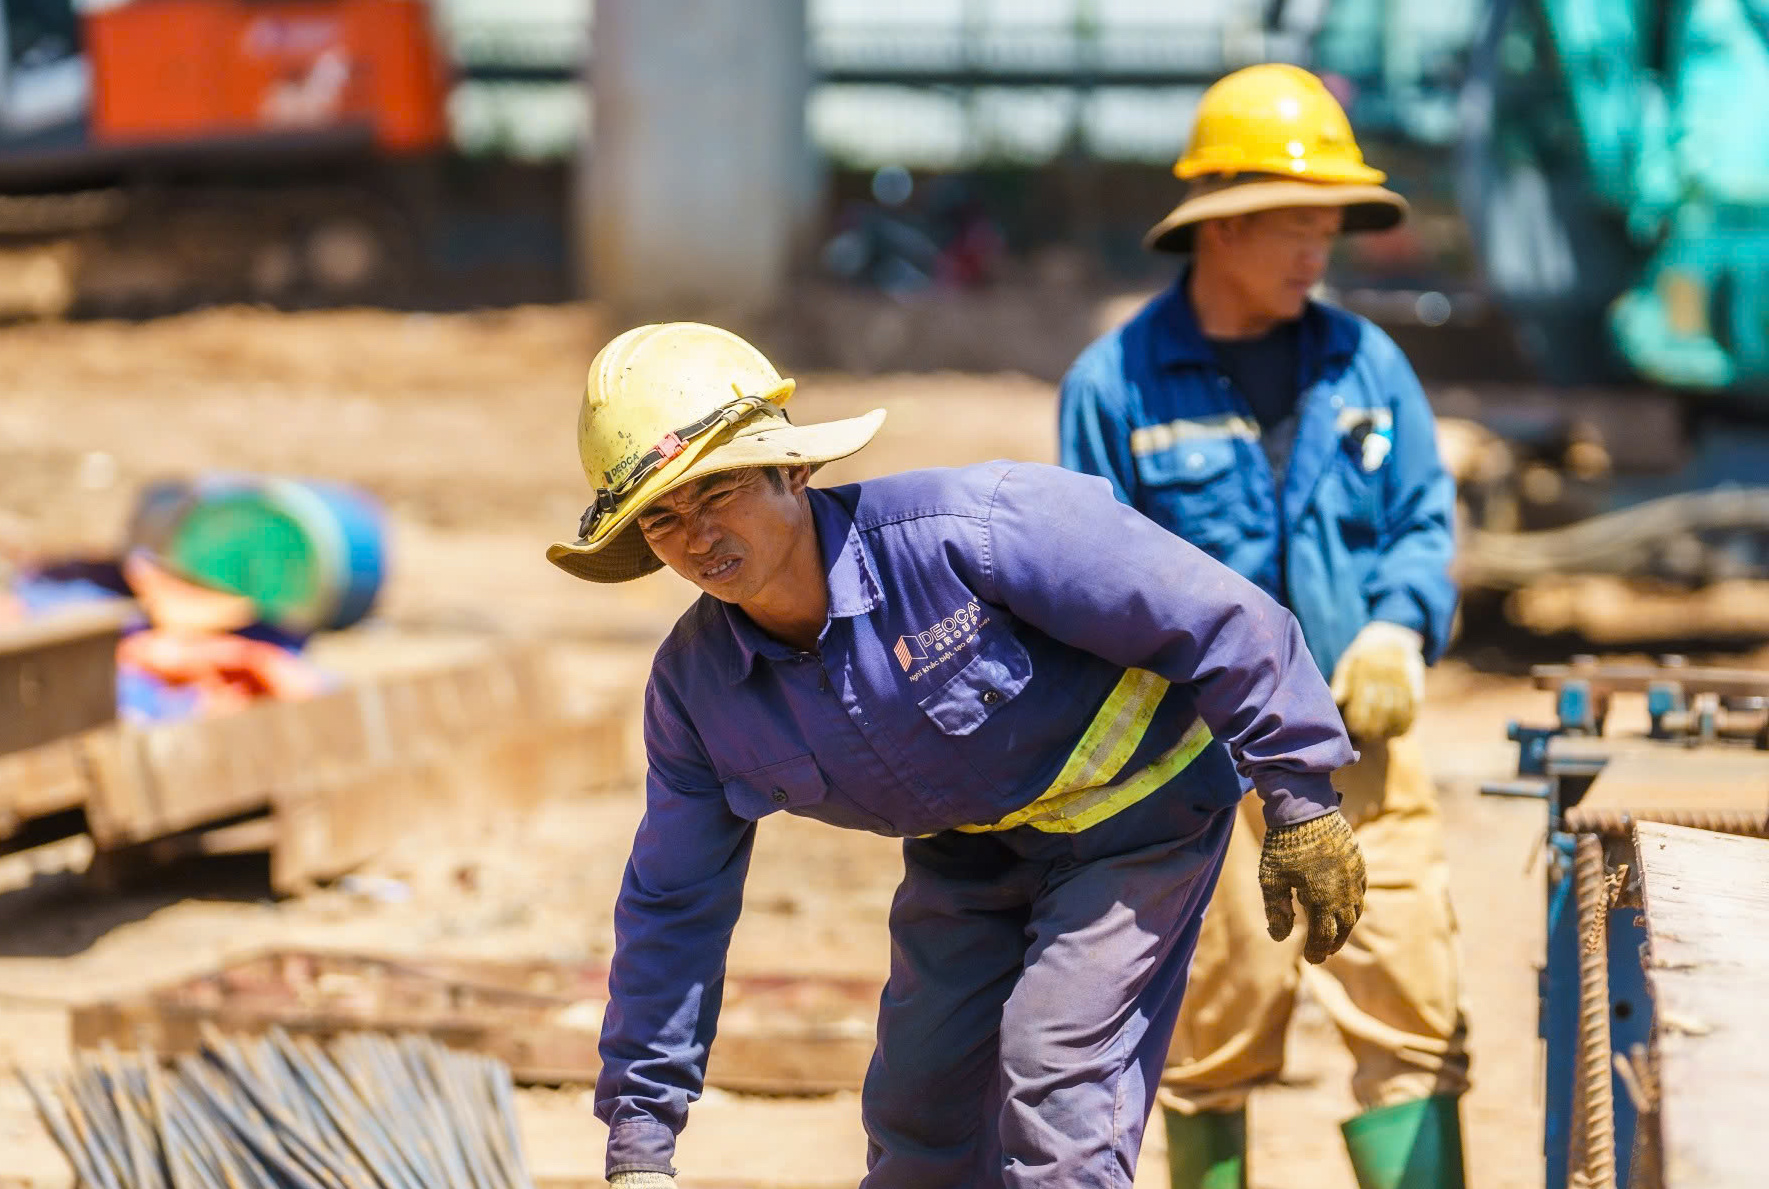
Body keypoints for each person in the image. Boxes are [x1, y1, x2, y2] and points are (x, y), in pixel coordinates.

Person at [544, 320, 1368, 1188]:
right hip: (973, 853)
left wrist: (1300, 801)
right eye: (662, 517)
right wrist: (641, 1140)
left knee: (1055, 1087)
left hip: (1140, 825)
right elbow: (673, 904)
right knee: (921, 1110)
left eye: (716, 491)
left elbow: (1219, 616)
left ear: (792, 470)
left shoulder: (976, 530)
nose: (697, 535)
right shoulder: (698, 691)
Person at [1058, 63, 1467, 1189]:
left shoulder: (1366, 366)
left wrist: (1396, 628)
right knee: (1209, 1035)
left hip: (1360, 756)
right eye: (1296, 226)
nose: (1315, 252)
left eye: (1326, 229)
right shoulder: (1117, 387)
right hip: (1200, 770)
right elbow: (1085, 582)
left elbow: (1421, 522)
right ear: (1222, 224)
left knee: (1417, 1017)